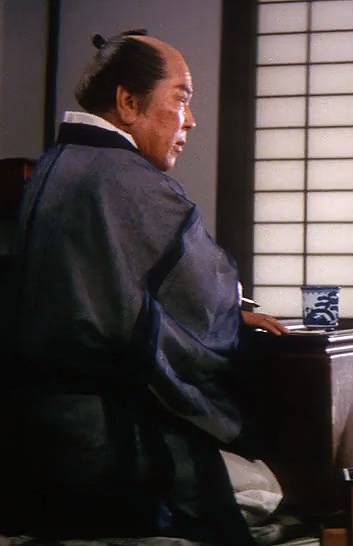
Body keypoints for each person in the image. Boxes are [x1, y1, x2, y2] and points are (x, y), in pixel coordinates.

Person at [0, 30, 286, 544]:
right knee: (266, 489)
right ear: (128, 103)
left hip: (32, 440)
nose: (190, 120)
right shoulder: (127, 179)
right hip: (112, 445)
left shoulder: (51, 168)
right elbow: (205, 294)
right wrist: (232, 311)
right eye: (181, 98)